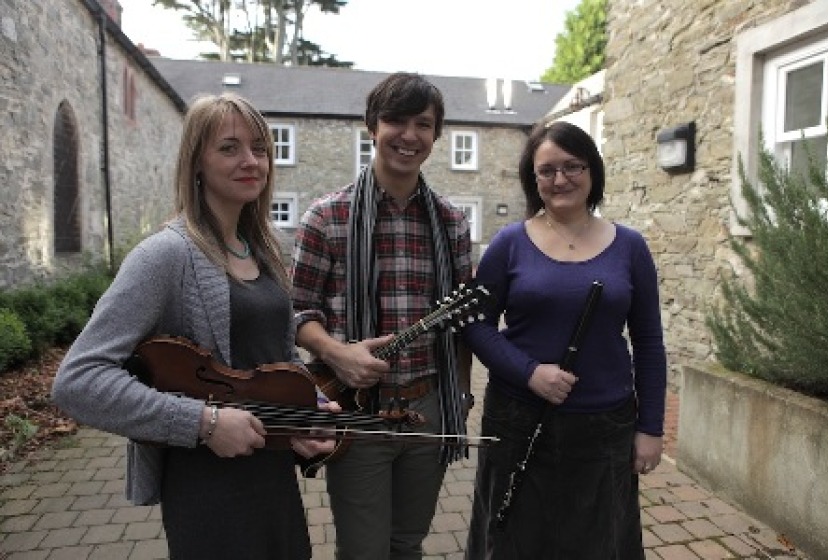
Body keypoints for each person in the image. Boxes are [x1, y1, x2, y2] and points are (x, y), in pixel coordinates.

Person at [51, 92, 337, 559]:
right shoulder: (164, 256)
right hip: (207, 485)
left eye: (260, 148)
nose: (251, 161)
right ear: (196, 163)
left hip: (271, 473)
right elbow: (76, 382)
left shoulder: (267, 250)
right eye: (229, 147)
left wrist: (309, 407)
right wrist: (203, 422)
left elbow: (276, 357)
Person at [290, 72, 474, 559]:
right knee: (364, 550)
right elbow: (297, 311)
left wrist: (461, 394)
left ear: (436, 136)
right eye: (396, 120)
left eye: (424, 124)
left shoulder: (452, 223)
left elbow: (461, 325)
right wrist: (336, 352)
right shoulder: (325, 217)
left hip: (428, 408)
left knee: (407, 544)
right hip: (357, 413)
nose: (409, 135)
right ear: (372, 125)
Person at [463, 120, 667, 559]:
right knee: (514, 539)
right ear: (533, 179)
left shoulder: (629, 246)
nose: (560, 179)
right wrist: (529, 372)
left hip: (605, 427)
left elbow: (649, 340)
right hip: (519, 419)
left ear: (592, 171)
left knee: (598, 542)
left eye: (572, 166)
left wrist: (650, 427)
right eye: (547, 170)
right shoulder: (509, 243)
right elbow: (475, 324)